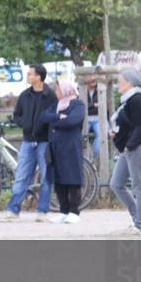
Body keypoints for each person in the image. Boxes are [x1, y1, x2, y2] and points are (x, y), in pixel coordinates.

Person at [0, 64, 57, 222]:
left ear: (39, 77)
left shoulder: (50, 95)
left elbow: (55, 116)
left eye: (30, 74)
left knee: (46, 177)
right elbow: (17, 115)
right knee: (21, 176)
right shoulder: (24, 95)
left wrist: (47, 130)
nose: (28, 76)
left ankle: (42, 212)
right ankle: (13, 211)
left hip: (44, 142)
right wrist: (24, 123)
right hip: (27, 141)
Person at [108, 68, 141, 235]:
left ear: (129, 82)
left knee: (138, 186)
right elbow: (130, 124)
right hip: (129, 148)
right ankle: (137, 218)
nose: (118, 84)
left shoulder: (137, 100)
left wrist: (129, 145)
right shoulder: (128, 100)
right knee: (116, 184)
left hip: (137, 147)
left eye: (121, 81)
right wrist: (117, 133)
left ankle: (140, 225)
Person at [39, 79, 86, 224]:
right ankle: (63, 210)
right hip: (56, 146)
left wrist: (55, 123)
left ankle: (74, 211)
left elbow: (73, 120)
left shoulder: (77, 104)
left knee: (72, 178)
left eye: (58, 90)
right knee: (59, 179)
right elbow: (44, 117)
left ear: (66, 90)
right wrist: (59, 116)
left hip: (70, 147)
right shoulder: (56, 105)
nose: (56, 92)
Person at [85, 75, 101, 158]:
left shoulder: (100, 89)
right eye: (90, 76)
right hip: (85, 119)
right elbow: (82, 106)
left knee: (101, 134)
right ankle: (85, 156)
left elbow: (102, 104)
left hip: (98, 118)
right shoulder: (80, 89)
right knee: (81, 134)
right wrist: (94, 105)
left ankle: (94, 156)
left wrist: (89, 106)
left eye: (94, 77)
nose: (93, 78)